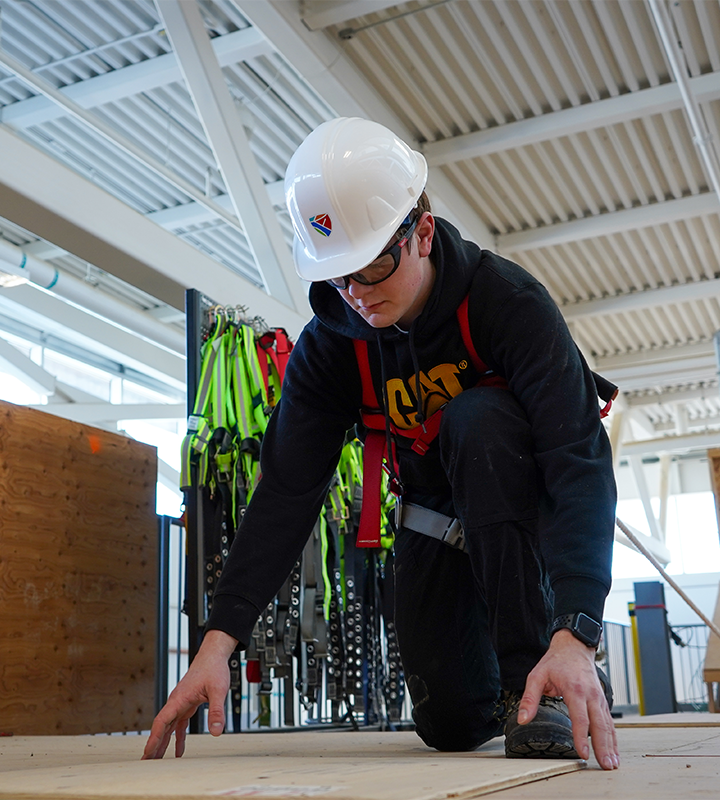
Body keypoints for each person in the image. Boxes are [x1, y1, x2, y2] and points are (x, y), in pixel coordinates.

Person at [143, 117, 619, 770]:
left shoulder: (507, 304)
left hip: (519, 504)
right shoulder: (332, 344)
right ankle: (506, 682)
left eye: (374, 269)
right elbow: (285, 491)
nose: (359, 297)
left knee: (477, 421)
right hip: (433, 521)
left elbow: (580, 465)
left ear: (422, 233)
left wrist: (577, 631)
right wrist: (216, 644)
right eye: (340, 279)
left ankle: (544, 667)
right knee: (449, 726)